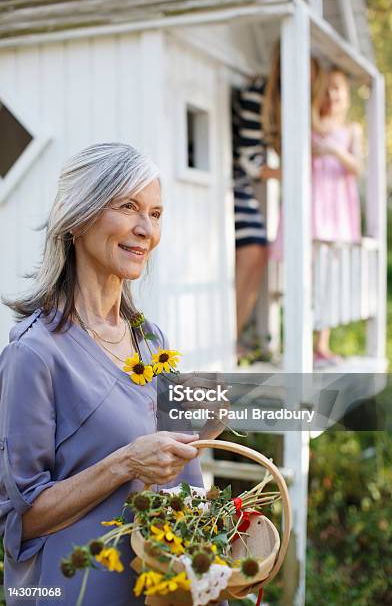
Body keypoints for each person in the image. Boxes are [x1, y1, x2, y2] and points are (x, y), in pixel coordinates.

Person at [0, 143, 225, 605]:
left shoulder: (150, 339)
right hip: (76, 589)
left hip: (158, 585)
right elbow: (20, 519)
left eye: (156, 213)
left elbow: (164, 459)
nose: (147, 230)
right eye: (128, 207)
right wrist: (124, 462)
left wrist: (204, 423)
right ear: (78, 218)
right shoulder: (34, 354)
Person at [232, 47, 281, 359]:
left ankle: (233, 335)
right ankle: (229, 337)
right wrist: (293, 172)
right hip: (230, 179)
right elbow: (249, 160)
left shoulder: (278, 103)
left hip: (241, 182)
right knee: (253, 251)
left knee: (260, 252)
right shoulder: (260, 95)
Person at [311, 67, 363, 362]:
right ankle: (302, 338)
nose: (332, 94)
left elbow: (358, 168)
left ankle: (322, 343)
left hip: (338, 206)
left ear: (346, 94)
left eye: (338, 88)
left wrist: (334, 151)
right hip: (315, 204)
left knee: (329, 274)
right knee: (310, 271)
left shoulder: (352, 130)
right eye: (327, 88)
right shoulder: (312, 126)